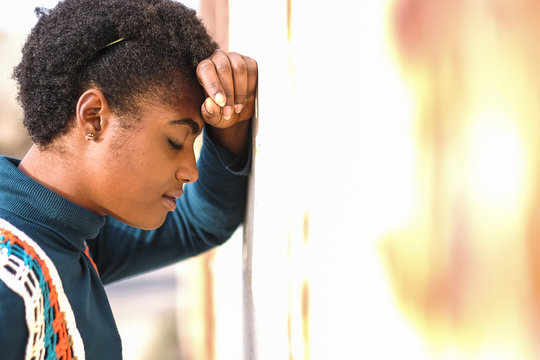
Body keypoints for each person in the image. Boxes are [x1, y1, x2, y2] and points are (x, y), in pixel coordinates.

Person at [0, 0, 257, 358]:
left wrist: (233, 119)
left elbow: (200, 222)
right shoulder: (12, 280)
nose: (191, 170)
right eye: (175, 141)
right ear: (93, 117)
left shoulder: (71, 235)